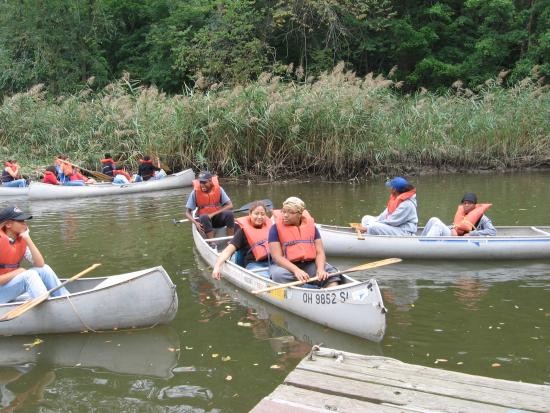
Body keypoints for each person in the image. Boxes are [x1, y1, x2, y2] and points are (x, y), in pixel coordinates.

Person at [0, 206, 68, 304]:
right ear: (9, 224)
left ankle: (65, 299)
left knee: (44, 269)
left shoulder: (19, 240)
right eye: (21, 221)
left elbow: (40, 264)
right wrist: (18, 272)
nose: (25, 224)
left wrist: (27, 238)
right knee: (29, 275)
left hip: (8, 287)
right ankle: (49, 307)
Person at [268, 197, 340, 289]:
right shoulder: (275, 229)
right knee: (279, 275)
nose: (285, 215)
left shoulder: (312, 227)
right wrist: (296, 270)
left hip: (308, 264)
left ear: (299, 214)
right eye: (284, 211)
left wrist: (321, 269)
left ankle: (331, 291)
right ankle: (308, 287)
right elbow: (277, 257)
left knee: (331, 272)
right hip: (285, 267)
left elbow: (320, 252)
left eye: (290, 212)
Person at [212, 201, 272, 279]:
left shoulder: (271, 228)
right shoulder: (242, 232)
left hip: (272, 262)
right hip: (255, 265)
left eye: (262, 214)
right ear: (250, 214)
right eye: (256, 214)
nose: (260, 217)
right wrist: (217, 267)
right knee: (266, 278)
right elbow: (227, 251)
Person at [185, 171, 235, 239]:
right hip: (204, 222)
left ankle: (231, 240)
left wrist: (213, 214)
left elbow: (230, 205)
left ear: (210, 181)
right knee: (204, 217)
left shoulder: (219, 189)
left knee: (230, 214)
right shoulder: (195, 192)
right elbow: (187, 213)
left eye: (204, 183)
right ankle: (211, 242)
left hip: (217, 219)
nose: (202, 185)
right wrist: (195, 223)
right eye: (200, 182)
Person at [421, 192, 496, 237]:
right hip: (454, 237)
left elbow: (492, 231)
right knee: (433, 219)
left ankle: (424, 246)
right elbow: (454, 225)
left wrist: (472, 234)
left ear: (475, 205)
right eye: (465, 203)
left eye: (469, 203)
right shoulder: (462, 214)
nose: (466, 205)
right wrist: (452, 229)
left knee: (437, 225)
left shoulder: (483, 218)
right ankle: (419, 242)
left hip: (463, 241)